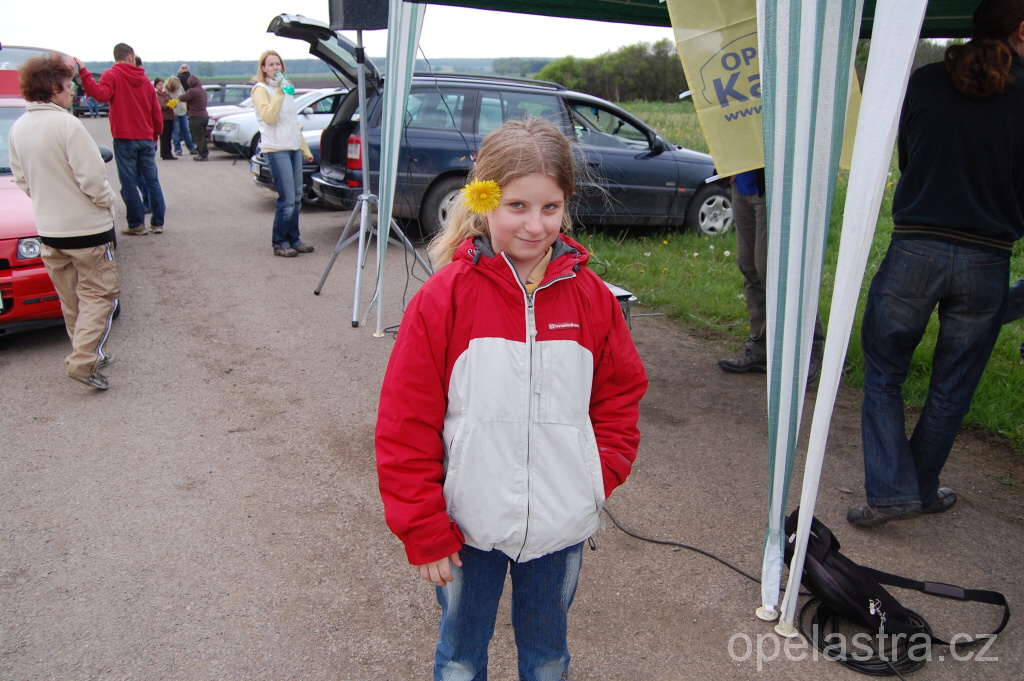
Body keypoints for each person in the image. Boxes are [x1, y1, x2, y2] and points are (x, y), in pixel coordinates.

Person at [375, 117, 648, 681]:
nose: (535, 224)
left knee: (548, 657)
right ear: (484, 201)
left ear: (566, 206)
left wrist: (596, 475)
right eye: (517, 206)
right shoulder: (443, 298)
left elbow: (620, 395)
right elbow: (405, 421)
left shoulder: (592, 298)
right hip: (466, 524)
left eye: (550, 208)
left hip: (560, 524)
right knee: (459, 657)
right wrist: (423, 527)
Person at [849, 0, 1024, 528]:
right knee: (953, 386)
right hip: (988, 257)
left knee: (884, 373)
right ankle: (918, 489)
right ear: (1021, 31)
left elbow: (909, 157)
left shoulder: (926, 82)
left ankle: (891, 492)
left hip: (917, 246)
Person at [9, 53, 120, 390]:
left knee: (70, 297)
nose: (73, 92)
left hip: (49, 230)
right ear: (53, 88)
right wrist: (107, 202)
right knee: (99, 294)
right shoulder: (68, 125)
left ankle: (84, 351)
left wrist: (47, 201)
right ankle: (84, 359)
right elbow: (92, 178)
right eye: (68, 86)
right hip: (86, 228)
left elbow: (22, 179)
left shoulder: (18, 128)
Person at [718, 167, 826, 386]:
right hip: (740, 183)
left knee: (774, 272)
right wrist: (726, 169)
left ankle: (811, 348)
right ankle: (760, 348)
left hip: (772, 187)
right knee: (749, 267)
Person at [75, 43, 165, 236]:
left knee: (129, 183)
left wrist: (84, 73)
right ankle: (158, 222)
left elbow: (100, 95)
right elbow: (155, 111)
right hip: (146, 137)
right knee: (152, 181)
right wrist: (156, 134)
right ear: (131, 57)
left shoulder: (112, 74)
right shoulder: (144, 79)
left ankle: (136, 224)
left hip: (124, 137)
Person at [250, 50, 314, 257]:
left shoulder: (286, 89)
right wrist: (278, 92)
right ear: (263, 68)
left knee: (297, 197)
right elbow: (269, 117)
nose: (275, 68)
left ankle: (294, 238)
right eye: (270, 64)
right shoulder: (261, 90)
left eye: (278, 64)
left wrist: (304, 149)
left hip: (292, 146)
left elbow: (291, 122)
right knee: (286, 199)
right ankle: (280, 242)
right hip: (276, 148)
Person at [178, 73, 209, 161]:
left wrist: (178, 96)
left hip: (195, 116)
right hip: (204, 115)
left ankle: (202, 154)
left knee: (198, 136)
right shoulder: (203, 91)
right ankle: (202, 152)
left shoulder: (192, 91)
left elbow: (182, 98)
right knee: (202, 136)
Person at [165, 75, 196, 156]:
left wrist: (186, 107)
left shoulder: (180, 87)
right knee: (176, 131)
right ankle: (177, 149)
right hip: (175, 113)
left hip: (183, 112)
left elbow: (184, 96)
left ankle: (191, 147)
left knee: (187, 130)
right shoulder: (167, 90)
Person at [154, 77, 176, 160]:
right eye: (159, 85)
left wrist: (174, 104)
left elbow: (171, 100)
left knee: (169, 136)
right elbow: (158, 106)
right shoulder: (155, 94)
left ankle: (169, 153)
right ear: (155, 86)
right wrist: (167, 105)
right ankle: (164, 153)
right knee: (164, 137)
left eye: (162, 84)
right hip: (163, 118)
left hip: (170, 116)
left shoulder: (166, 93)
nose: (161, 86)